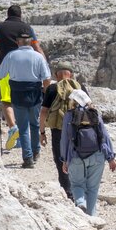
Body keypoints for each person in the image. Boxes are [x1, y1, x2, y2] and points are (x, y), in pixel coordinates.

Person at [0, 5, 41, 151]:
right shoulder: (27, 28)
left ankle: (13, 128)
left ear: (7, 14)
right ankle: (28, 135)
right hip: (26, 69)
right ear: (21, 15)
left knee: (7, 100)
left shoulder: (0, 27)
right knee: (24, 100)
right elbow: (37, 47)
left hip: (6, 68)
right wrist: (42, 65)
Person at [0, 35, 51, 169]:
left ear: (18, 42)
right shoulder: (38, 57)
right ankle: (36, 151)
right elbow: (47, 78)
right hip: (35, 93)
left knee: (23, 126)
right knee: (35, 123)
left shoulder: (11, 56)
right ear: (31, 42)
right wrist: (46, 92)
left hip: (18, 93)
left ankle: (27, 158)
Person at [59, 90, 116, 217]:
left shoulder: (69, 115)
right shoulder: (94, 114)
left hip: (75, 156)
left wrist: (64, 159)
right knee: (93, 188)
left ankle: (80, 202)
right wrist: (110, 157)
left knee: (77, 184)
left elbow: (64, 139)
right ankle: (91, 216)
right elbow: (104, 136)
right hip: (97, 156)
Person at [42, 66, 85, 197]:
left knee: (61, 158)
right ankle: (80, 191)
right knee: (78, 157)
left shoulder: (52, 89)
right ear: (71, 74)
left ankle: (68, 191)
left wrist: (42, 133)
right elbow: (90, 109)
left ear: (56, 75)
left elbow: (44, 112)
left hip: (58, 129)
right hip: (78, 129)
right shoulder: (80, 88)